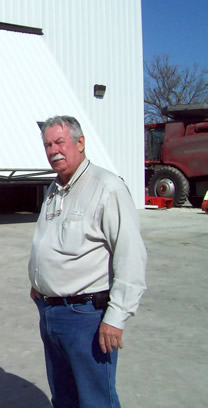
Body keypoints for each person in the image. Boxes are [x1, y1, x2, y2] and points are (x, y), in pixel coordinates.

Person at [28, 115, 147, 408]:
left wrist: (116, 317)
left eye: (60, 142)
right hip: (51, 314)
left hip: (87, 319)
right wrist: (39, 282)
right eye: (47, 144)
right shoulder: (54, 189)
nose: (53, 150)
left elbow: (131, 256)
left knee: (95, 401)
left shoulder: (106, 187)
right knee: (64, 398)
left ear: (80, 143)